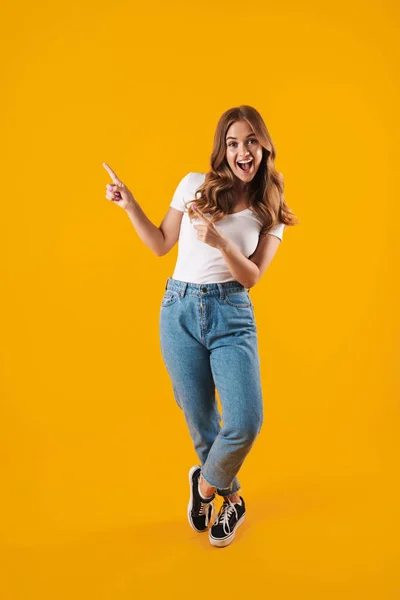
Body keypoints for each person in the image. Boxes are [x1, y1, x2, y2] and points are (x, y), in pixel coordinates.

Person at [103, 105, 299, 548]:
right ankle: (234, 504)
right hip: (179, 310)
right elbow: (160, 244)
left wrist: (220, 241)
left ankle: (206, 486)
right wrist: (130, 204)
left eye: (250, 141)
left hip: (231, 313)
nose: (242, 151)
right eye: (232, 143)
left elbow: (251, 278)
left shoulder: (271, 211)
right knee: (202, 422)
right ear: (222, 150)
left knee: (246, 421)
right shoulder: (194, 185)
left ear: (264, 146)